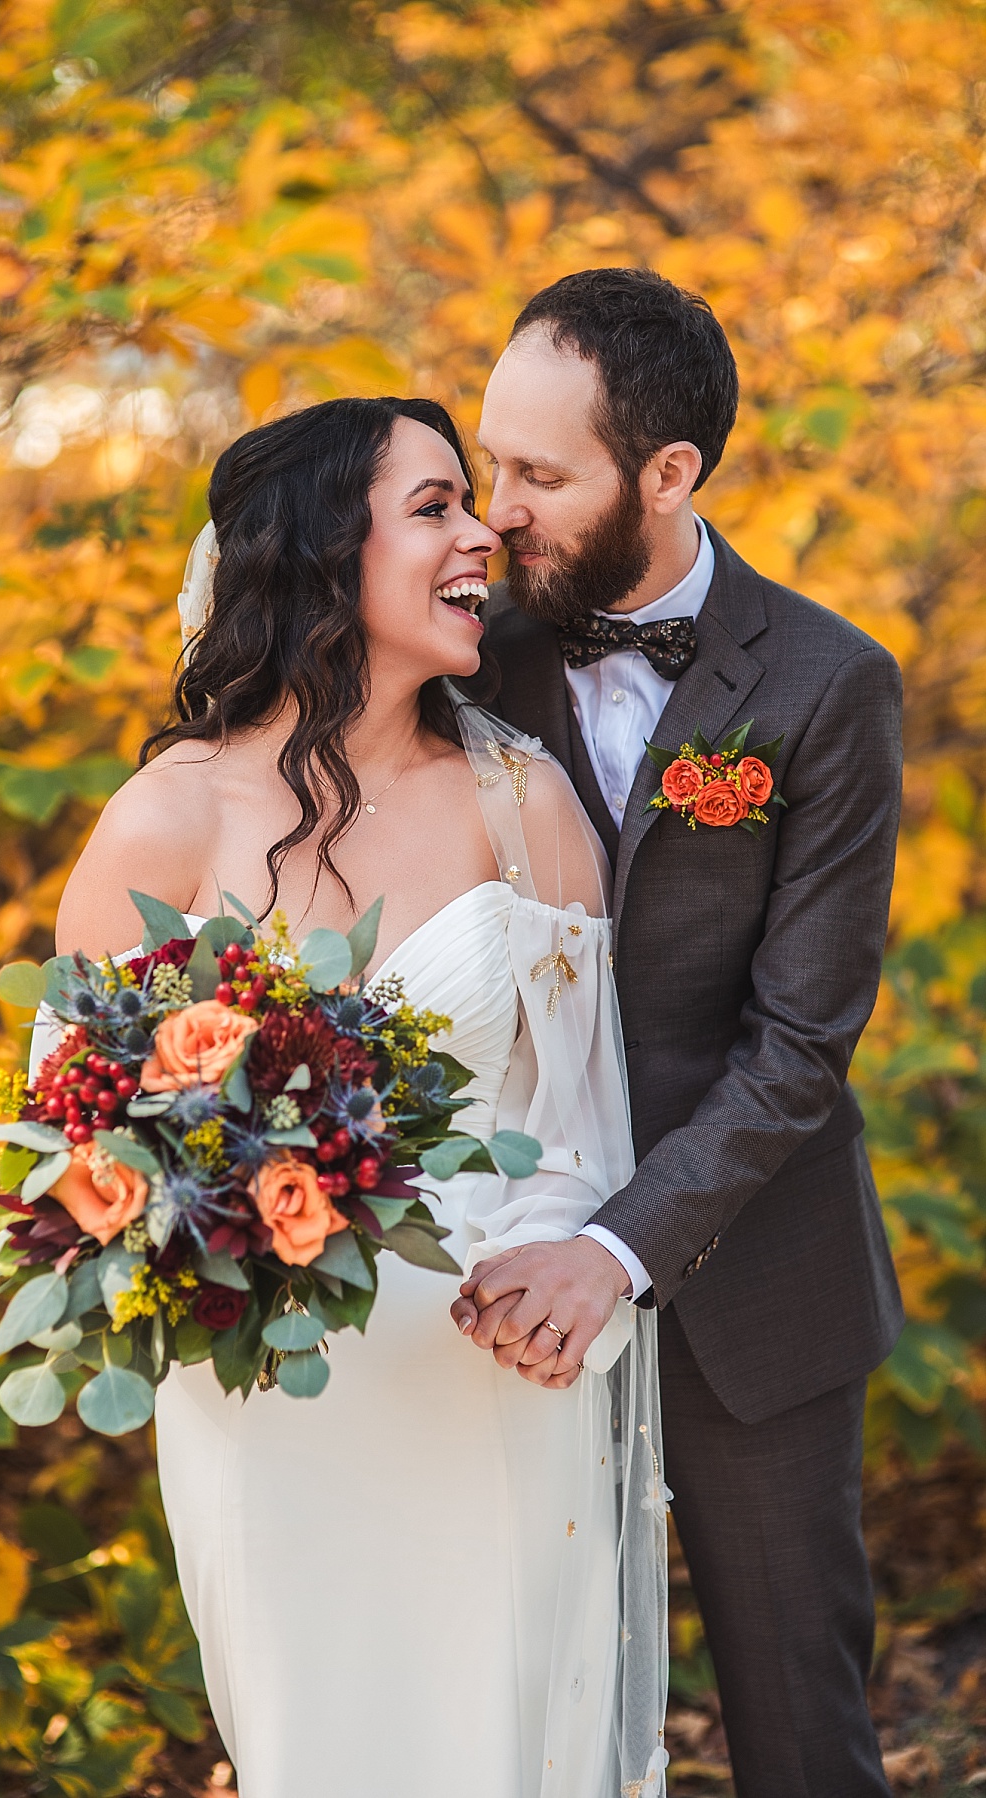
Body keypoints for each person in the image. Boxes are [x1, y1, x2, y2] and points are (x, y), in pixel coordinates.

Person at [55, 396, 670, 1798]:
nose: (484, 536)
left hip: (489, 1367)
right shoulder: (172, 811)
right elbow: (76, 1125)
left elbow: (581, 1121)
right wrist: (184, 1230)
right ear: (329, 548)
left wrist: (554, 1272)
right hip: (269, 1387)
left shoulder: (529, 807)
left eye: (476, 503)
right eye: (437, 506)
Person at [451, 268, 904, 1798]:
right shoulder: (461, 651)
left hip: (754, 1283)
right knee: (529, 1716)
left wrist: (622, 1244)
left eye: (539, 474)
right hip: (489, 1277)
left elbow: (800, 1042)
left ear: (668, 473)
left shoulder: (831, 685)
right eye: (489, 458)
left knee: (797, 1718)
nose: (496, 508)